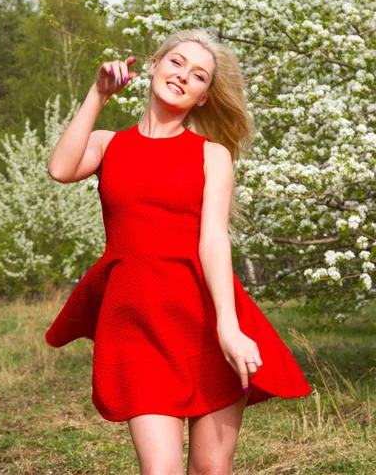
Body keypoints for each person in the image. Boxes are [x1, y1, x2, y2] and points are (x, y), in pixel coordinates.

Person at [45, 29, 312, 474]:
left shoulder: (212, 156)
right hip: (137, 322)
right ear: (154, 65)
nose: (183, 75)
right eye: (176, 63)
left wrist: (228, 326)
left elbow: (213, 240)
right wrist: (98, 93)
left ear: (204, 96)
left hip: (206, 318)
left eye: (199, 75)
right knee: (161, 469)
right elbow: (60, 169)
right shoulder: (110, 144)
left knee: (211, 466)